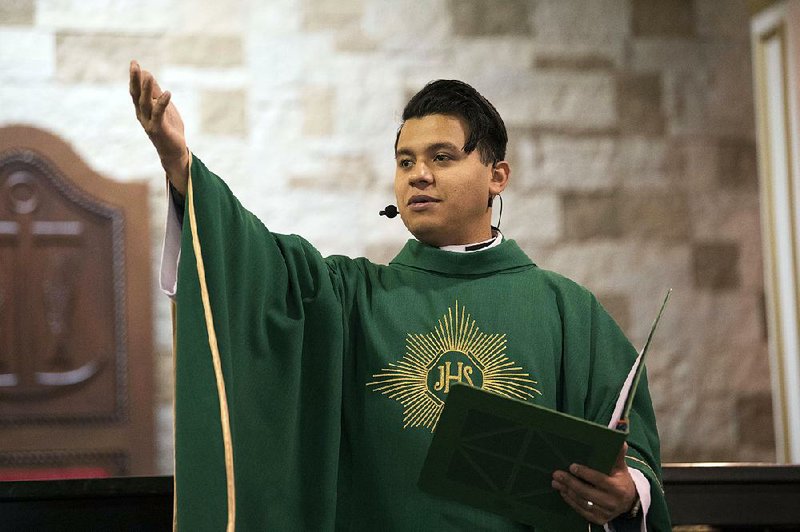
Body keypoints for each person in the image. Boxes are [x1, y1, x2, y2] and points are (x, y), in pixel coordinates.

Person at [129, 60, 671, 531]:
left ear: (497, 175)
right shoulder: (347, 297)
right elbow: (253, 269)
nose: (418, 176)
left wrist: (627, 495)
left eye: (442, 157)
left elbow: (633, 457)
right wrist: (182, 168)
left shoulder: (567, 311)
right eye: (405, 161)